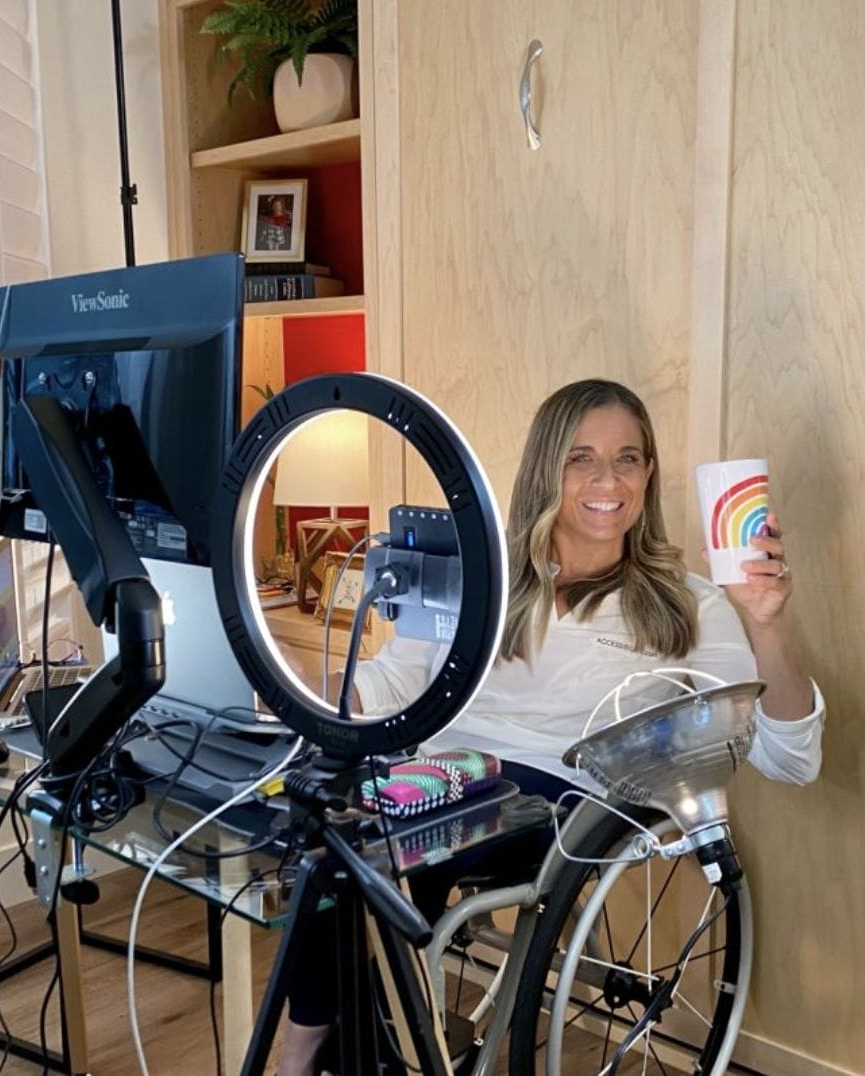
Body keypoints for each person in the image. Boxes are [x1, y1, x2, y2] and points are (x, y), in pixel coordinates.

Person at [276, 378, 824, 1076]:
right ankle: (334, 1044)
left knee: (363, 851)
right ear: (545, 468)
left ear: (648, 474)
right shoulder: (482, 581)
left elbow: (791, 758)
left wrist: (766, 623)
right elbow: (384, 688)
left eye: (628, 458)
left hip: (559, 797)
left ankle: (307, 1059)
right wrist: (286, 687)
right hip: (433, 777)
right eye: (581, 458)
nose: (608, 479)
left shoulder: (688, 605)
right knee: (328, 840)